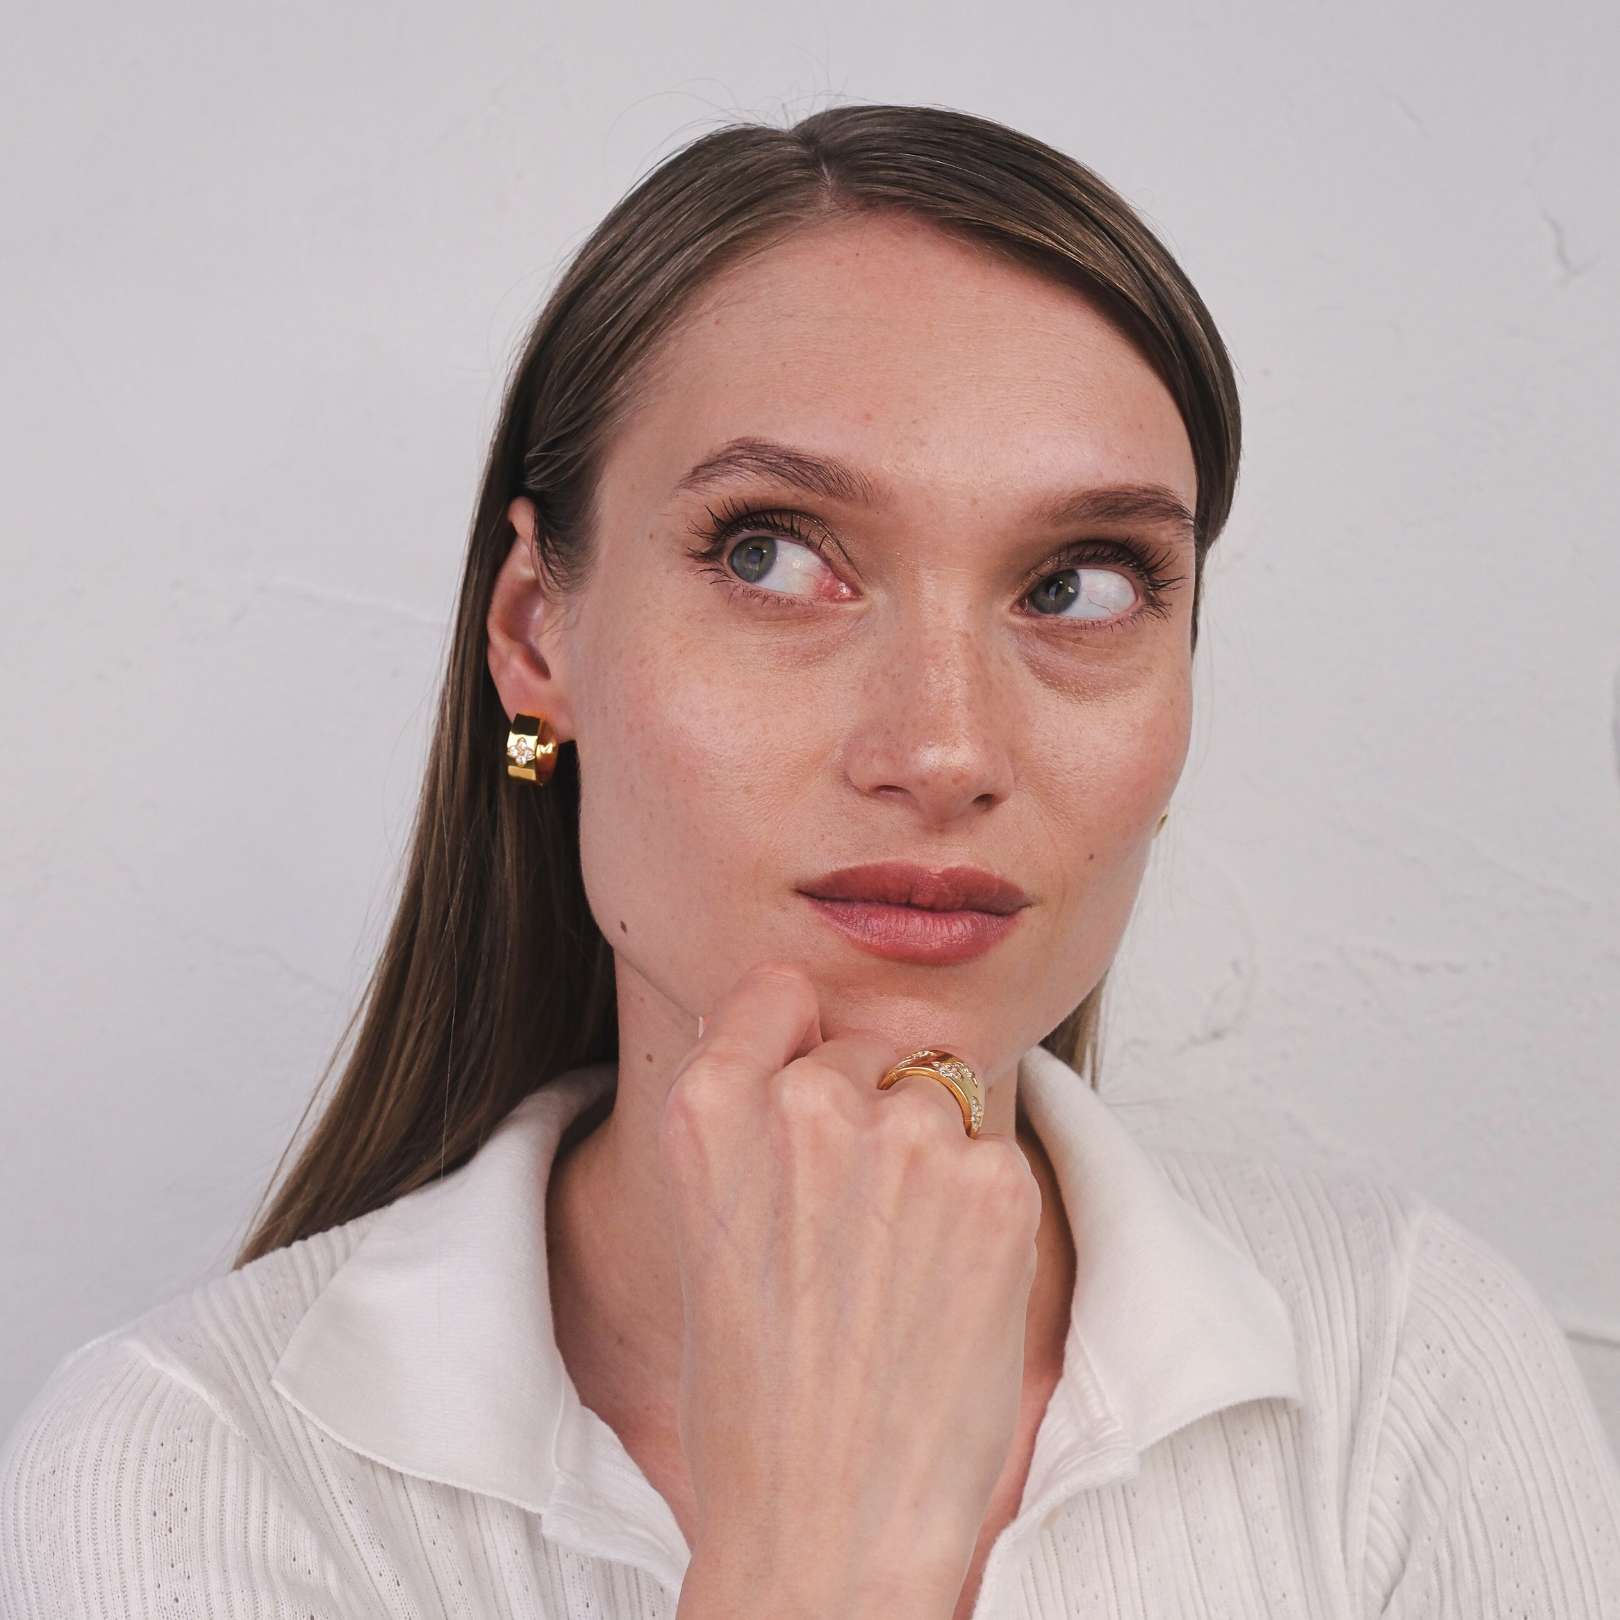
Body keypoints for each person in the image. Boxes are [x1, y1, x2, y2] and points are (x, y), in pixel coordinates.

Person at [2, 101, 1617, 1620]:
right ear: (536, 635)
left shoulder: (1412, 1375)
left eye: (1084, 583)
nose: (946, 748)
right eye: (772, 555)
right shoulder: (185, 1478)